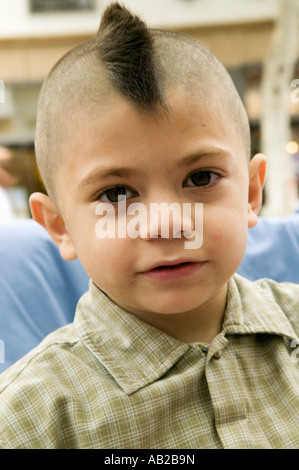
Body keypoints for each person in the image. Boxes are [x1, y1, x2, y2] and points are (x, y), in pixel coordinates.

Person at [0, 2, 298, 449]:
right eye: (116, 194)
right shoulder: (30, 420)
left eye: (200, 178)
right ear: (60, 226)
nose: (166, 224)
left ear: (252, 193)